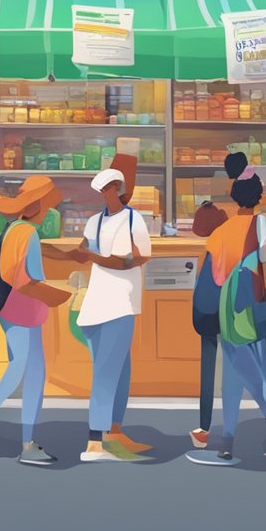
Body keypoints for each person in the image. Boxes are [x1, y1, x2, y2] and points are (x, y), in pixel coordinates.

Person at [187, 153, 266, 466]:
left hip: (224, 314)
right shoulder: (263, 223)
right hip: (252, 311)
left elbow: (205, 276)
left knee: (233, 379)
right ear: (258, 195)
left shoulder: (220, 232)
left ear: (234, 197)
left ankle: (229, 443)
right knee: (262, 374)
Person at [0, 176, 78, 466]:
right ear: (39, 205)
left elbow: (32, 258)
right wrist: (59, 295)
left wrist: (71, 256)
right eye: (49, 204)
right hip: (24, 310)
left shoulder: (15, 228)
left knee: (31, 374)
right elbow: (28, 280)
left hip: (10, 309)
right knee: (25, 372)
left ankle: (20, 438)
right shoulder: (28, 233)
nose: (52, 210)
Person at [75, 168, 153, 462]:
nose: (109, 193)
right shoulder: (94, 222)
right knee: (106, 373)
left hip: (121, 301)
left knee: (121, 372)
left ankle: (114, 433)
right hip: (104, 304)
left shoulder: (134, 219)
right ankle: (95, 443)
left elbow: (142, 256)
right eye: (104, 189)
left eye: (112, 188)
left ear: (119, 188)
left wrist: (106, 259)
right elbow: (83, 251)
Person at [188, 200, 229, 450]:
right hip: (229, 315)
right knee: (243, 372)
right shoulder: (228, 239)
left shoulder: (211, 246)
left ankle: (204, 428)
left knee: (208, 373)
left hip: (205, 316)